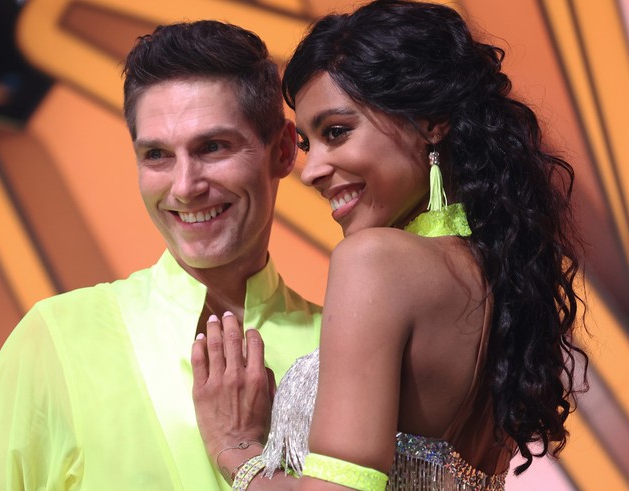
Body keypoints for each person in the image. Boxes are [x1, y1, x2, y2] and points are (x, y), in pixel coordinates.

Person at [190, 1, 587, 490]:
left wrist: (237, 447)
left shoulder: (375, 261)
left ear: (430, 121)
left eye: (337, 132)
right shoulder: (496, 273)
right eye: (310, 144)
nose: (310, 170)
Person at [0, 20, 322, 490]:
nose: (185, 187)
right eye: (158, 155)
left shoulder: (342, 348)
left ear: (283, 151)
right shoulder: (57, 339)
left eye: (212, 147)